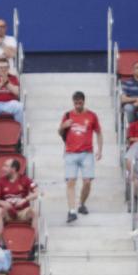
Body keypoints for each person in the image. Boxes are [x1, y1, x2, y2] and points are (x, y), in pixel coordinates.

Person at [58, 89, 103, 221]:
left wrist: (100, 150)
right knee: (71, 181)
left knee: (87, 182)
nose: (77, 105)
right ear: (73, 102)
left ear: (83, 102)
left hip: (87, 153)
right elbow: (60, 133)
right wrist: (63, 126)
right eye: (75, 103)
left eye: (80, 103)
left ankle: (81, 203)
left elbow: (99, 133)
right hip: (71, 153)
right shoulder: (67, 115)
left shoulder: (91, 116)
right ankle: (71, 211)